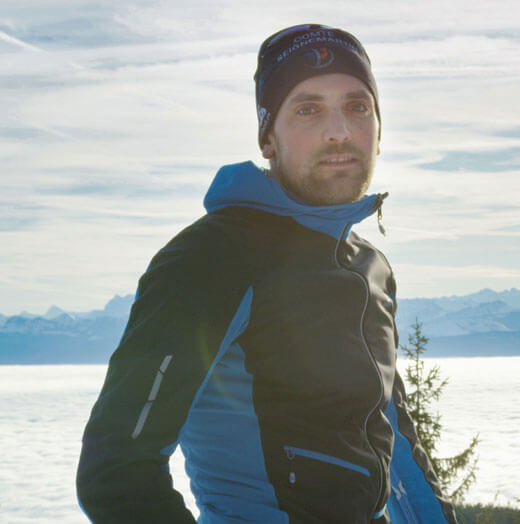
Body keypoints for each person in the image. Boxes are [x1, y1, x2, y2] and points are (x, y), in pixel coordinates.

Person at [77, 24, 458, 524]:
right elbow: (116, 472)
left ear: (379, 130)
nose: (339, 130)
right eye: (308, 109)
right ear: (268, 137)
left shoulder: (370, 268)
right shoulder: (214, 257)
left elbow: (397, 447)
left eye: (357, 106)